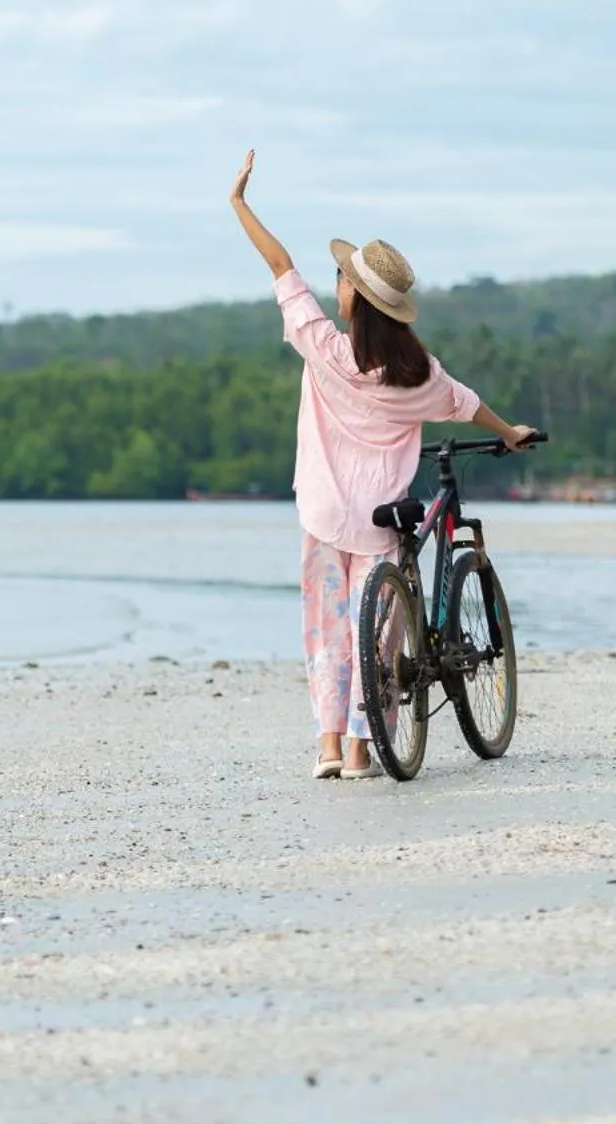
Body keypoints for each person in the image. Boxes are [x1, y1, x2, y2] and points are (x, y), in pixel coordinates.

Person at [229, 150, 537, 780]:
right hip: (380, 520)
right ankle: (366, 753)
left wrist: (239, 204)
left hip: (321, 511)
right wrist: (510, 434)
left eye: (342, 279)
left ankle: (329, 747)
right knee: (382, 636)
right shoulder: (419, 376)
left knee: (327, 630)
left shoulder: (324, 351)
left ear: (354, 299)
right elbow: (469, 405)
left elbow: (282, 267)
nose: (336, 284)